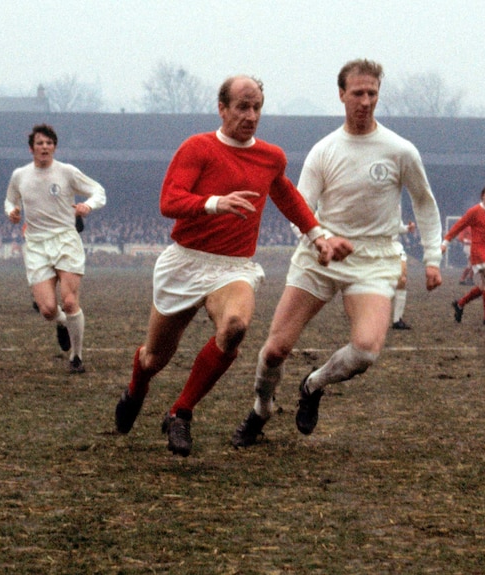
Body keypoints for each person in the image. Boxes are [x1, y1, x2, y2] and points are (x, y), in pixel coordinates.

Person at [112, 75, 347, 457]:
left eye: (256, 107)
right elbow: (169, 201)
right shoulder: (197, 147)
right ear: (222, 109)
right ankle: (137, 386)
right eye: (242, 106)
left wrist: (318, 235)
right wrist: (213, 203)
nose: (250, 115)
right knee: (155, 357)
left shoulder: (271, 157)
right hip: (185, 262)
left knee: (235, 327)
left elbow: (287, 196)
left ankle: (180, 413)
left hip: (232, 268)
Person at [230, 59, 443, 448]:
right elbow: (300, 208)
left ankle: (313, 384)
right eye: (357, 93)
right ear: (342, 94)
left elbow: (424, 204)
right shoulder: (325, 150)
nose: (365, 101)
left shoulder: (400, 150)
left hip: (374, 260)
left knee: (365, 351)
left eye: (372, 93)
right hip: (320, 255)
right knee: (276, 348)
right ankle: (260, 409)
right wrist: (321, 240)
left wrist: (432, 258)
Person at [4, 123, 106, 374]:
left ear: (55, 147)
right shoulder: (20, 175)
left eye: (49, 143)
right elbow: (9, 199)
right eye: (40, 143)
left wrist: (88, 206)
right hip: (37, 244)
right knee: (48, 309)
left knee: (70, 301)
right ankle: (62, 323)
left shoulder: (67, 172)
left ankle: (77, 357)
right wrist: (12, 212)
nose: (45, 147)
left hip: (65, 240)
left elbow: (98, 190)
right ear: (32, 149)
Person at [444, 183, 485, 325]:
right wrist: (446, 241)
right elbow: (459, 225)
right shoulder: (474, 211)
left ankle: (460, 304)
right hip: (478, 252)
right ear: (482, 195)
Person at [391, 220, 417, 330]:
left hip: (396, 247)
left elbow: (398, 227)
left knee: (402, 278)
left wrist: (407, 228)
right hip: (379, 248)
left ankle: (397, 320)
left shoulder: (396, 207)